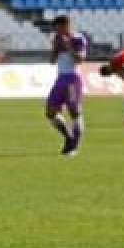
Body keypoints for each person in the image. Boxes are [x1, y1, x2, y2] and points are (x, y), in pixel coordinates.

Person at [46, 15, 87, 156]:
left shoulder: (78, 38)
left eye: (58, 28)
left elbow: (80, 60)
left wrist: (68, 46)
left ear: (66, 26)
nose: (56, 31)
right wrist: (55, 48)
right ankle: (68, 136)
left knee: (74, 112)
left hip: (73, 79)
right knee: (50, 113)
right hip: (60, 79)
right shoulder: (57, 39)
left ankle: (74, 147)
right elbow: (51, 61)